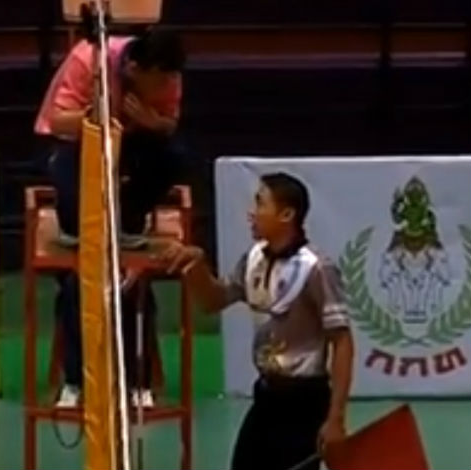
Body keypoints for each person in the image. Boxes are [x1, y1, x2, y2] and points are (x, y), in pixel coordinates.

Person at [34, 28, 187, 408]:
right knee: (79, 278)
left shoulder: (168, 75)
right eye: (160, 80)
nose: (167, 87)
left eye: (171, 79)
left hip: (134, 146)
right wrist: (96, 117)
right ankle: (75, 382)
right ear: (135, 68)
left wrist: (151, 122)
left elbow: (170, 124)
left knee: (173, 156)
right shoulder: (89, 59)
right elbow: (58, 121)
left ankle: (137, 383)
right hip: (79, 145)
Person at [160, 172, 354, 470]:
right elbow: (213, 301)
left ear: (286, 215)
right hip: (265, 397)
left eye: (261, 203)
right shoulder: (253, 260)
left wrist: (335, 418)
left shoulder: (317, 269)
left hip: (304, 402)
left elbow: (342, 342)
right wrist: (195, 264)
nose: (252, 213)